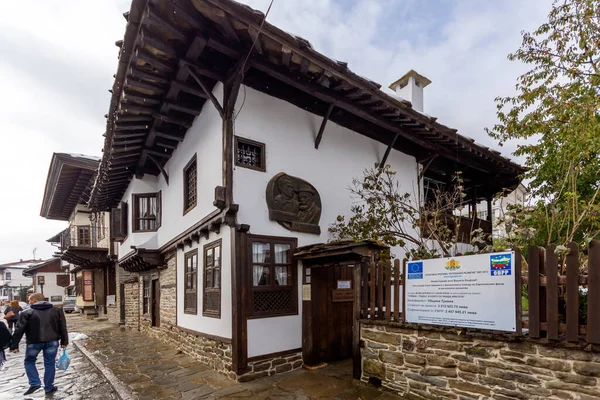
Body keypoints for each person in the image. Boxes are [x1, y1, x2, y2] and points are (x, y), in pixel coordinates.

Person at [10, 293, 69, 396]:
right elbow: (62, 326)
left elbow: (19, 330)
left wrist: (14, 345)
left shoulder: (26, 313)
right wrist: (64, 341)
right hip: (52, 341)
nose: (28, 302)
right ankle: (49, 387)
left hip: (33, 342)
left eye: (29, 300)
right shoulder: (56, 311)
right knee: (50, 364)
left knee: (29, 361)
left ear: (34, 300)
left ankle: (35, 382)